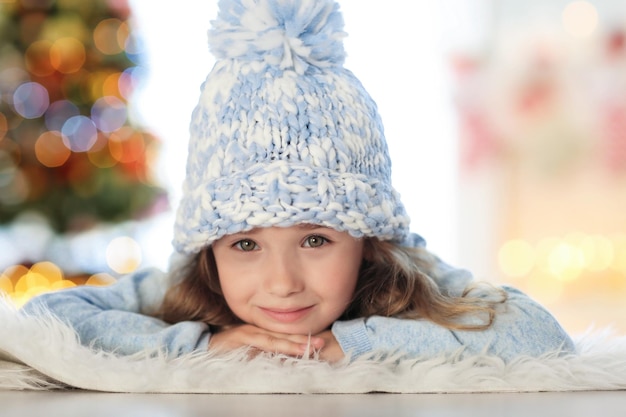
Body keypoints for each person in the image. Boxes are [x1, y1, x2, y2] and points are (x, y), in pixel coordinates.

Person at [22, 0, 575, 363]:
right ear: (209, 248)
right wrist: (202, 345)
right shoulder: (189, 287)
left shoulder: (403, 277)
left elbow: (542, 338)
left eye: (315, 239)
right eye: (245, 244)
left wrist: (348, 345)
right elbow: (42, 318)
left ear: (366, 237)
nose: (282, 282)